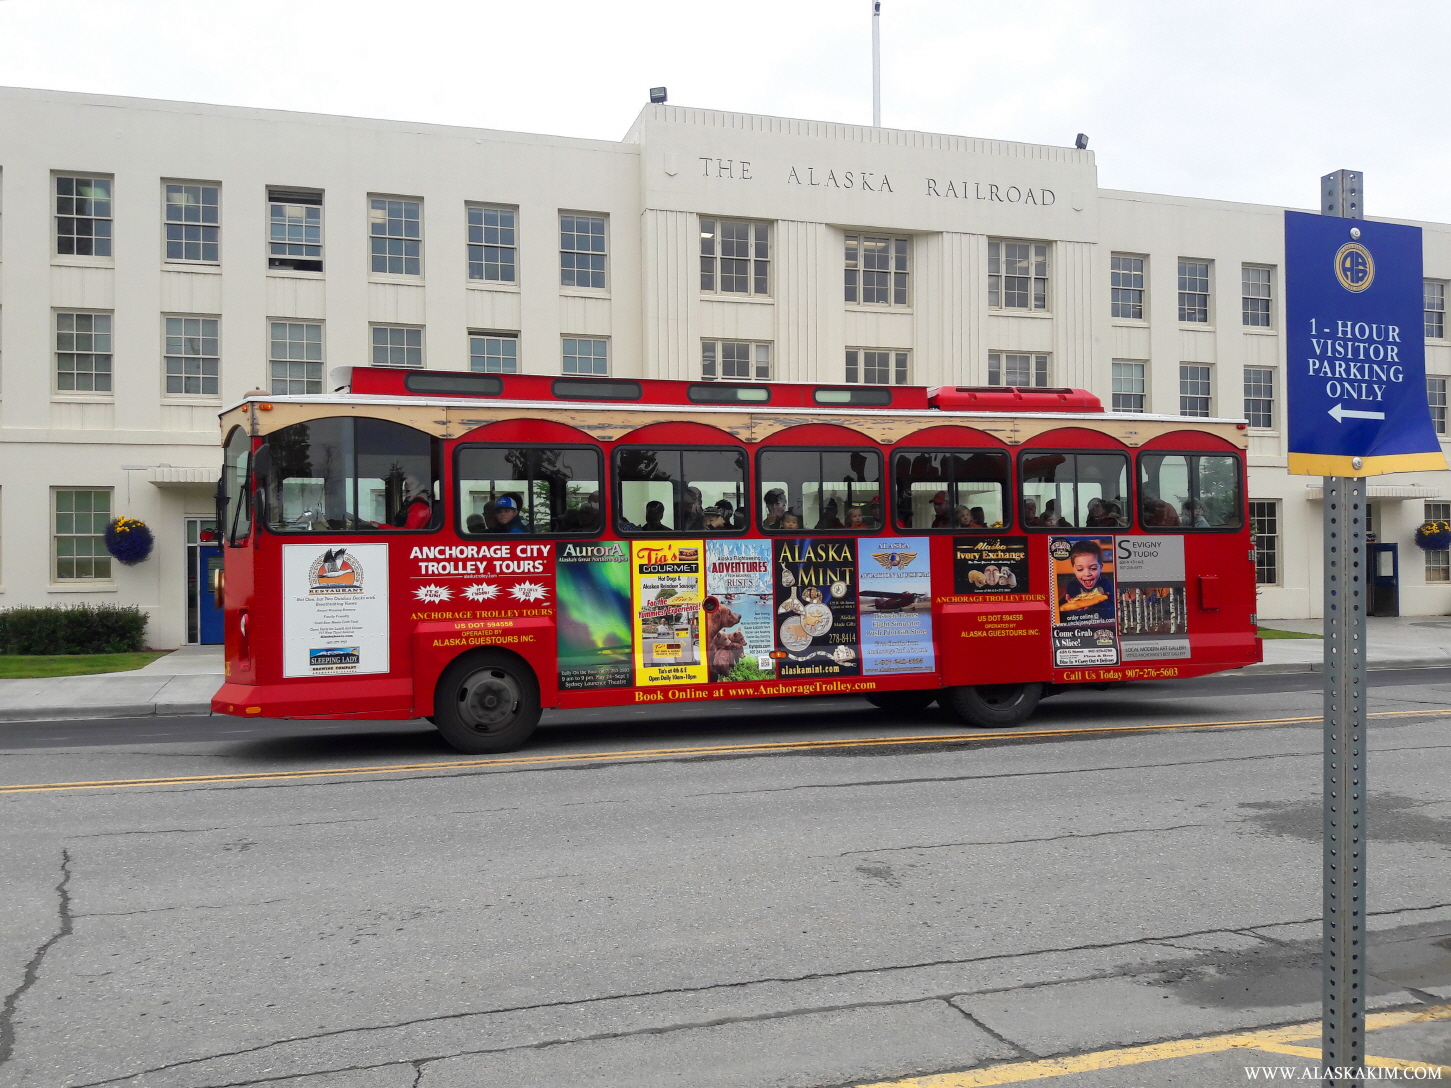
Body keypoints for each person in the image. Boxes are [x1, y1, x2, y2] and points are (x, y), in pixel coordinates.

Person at [1060, 539, 1115, 621]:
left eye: (1093, 568)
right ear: (1074, 569)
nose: (1087, 573)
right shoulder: (1073, 586)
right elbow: (1072, 617)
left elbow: (1112, 614)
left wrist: (1097, 601)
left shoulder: (1106, 584)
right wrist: (1076, 606)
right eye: (1080, 569)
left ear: (1101, 567)